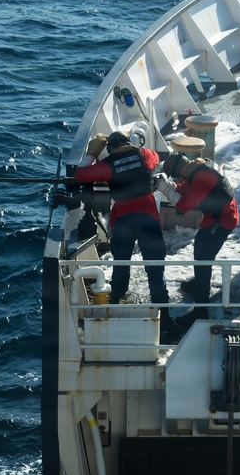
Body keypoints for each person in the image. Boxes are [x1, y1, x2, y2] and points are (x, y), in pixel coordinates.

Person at [74, 131, 184, 342]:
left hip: (123, 221)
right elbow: (157, 157)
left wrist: (92, 154)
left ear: (111, 148)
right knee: (155, 269)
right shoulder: (143, 154)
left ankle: (114, 309)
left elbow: (81, 175)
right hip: (148, 220)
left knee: (121, 264)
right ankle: (166, 320)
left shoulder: (108, 163)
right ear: (127, 143)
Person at [156, 153, 239, 321]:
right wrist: (169, 184)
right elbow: (186, 188)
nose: (178, 180)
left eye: (176, 178)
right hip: (215, 217)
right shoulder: (199, 166)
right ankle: (199, 282)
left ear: (180, 171)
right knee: (199, 250)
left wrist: (165, 189)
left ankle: (201, 308)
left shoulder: (202, 176)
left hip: (222, 221)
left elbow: (184, 206)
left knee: (203, 259)